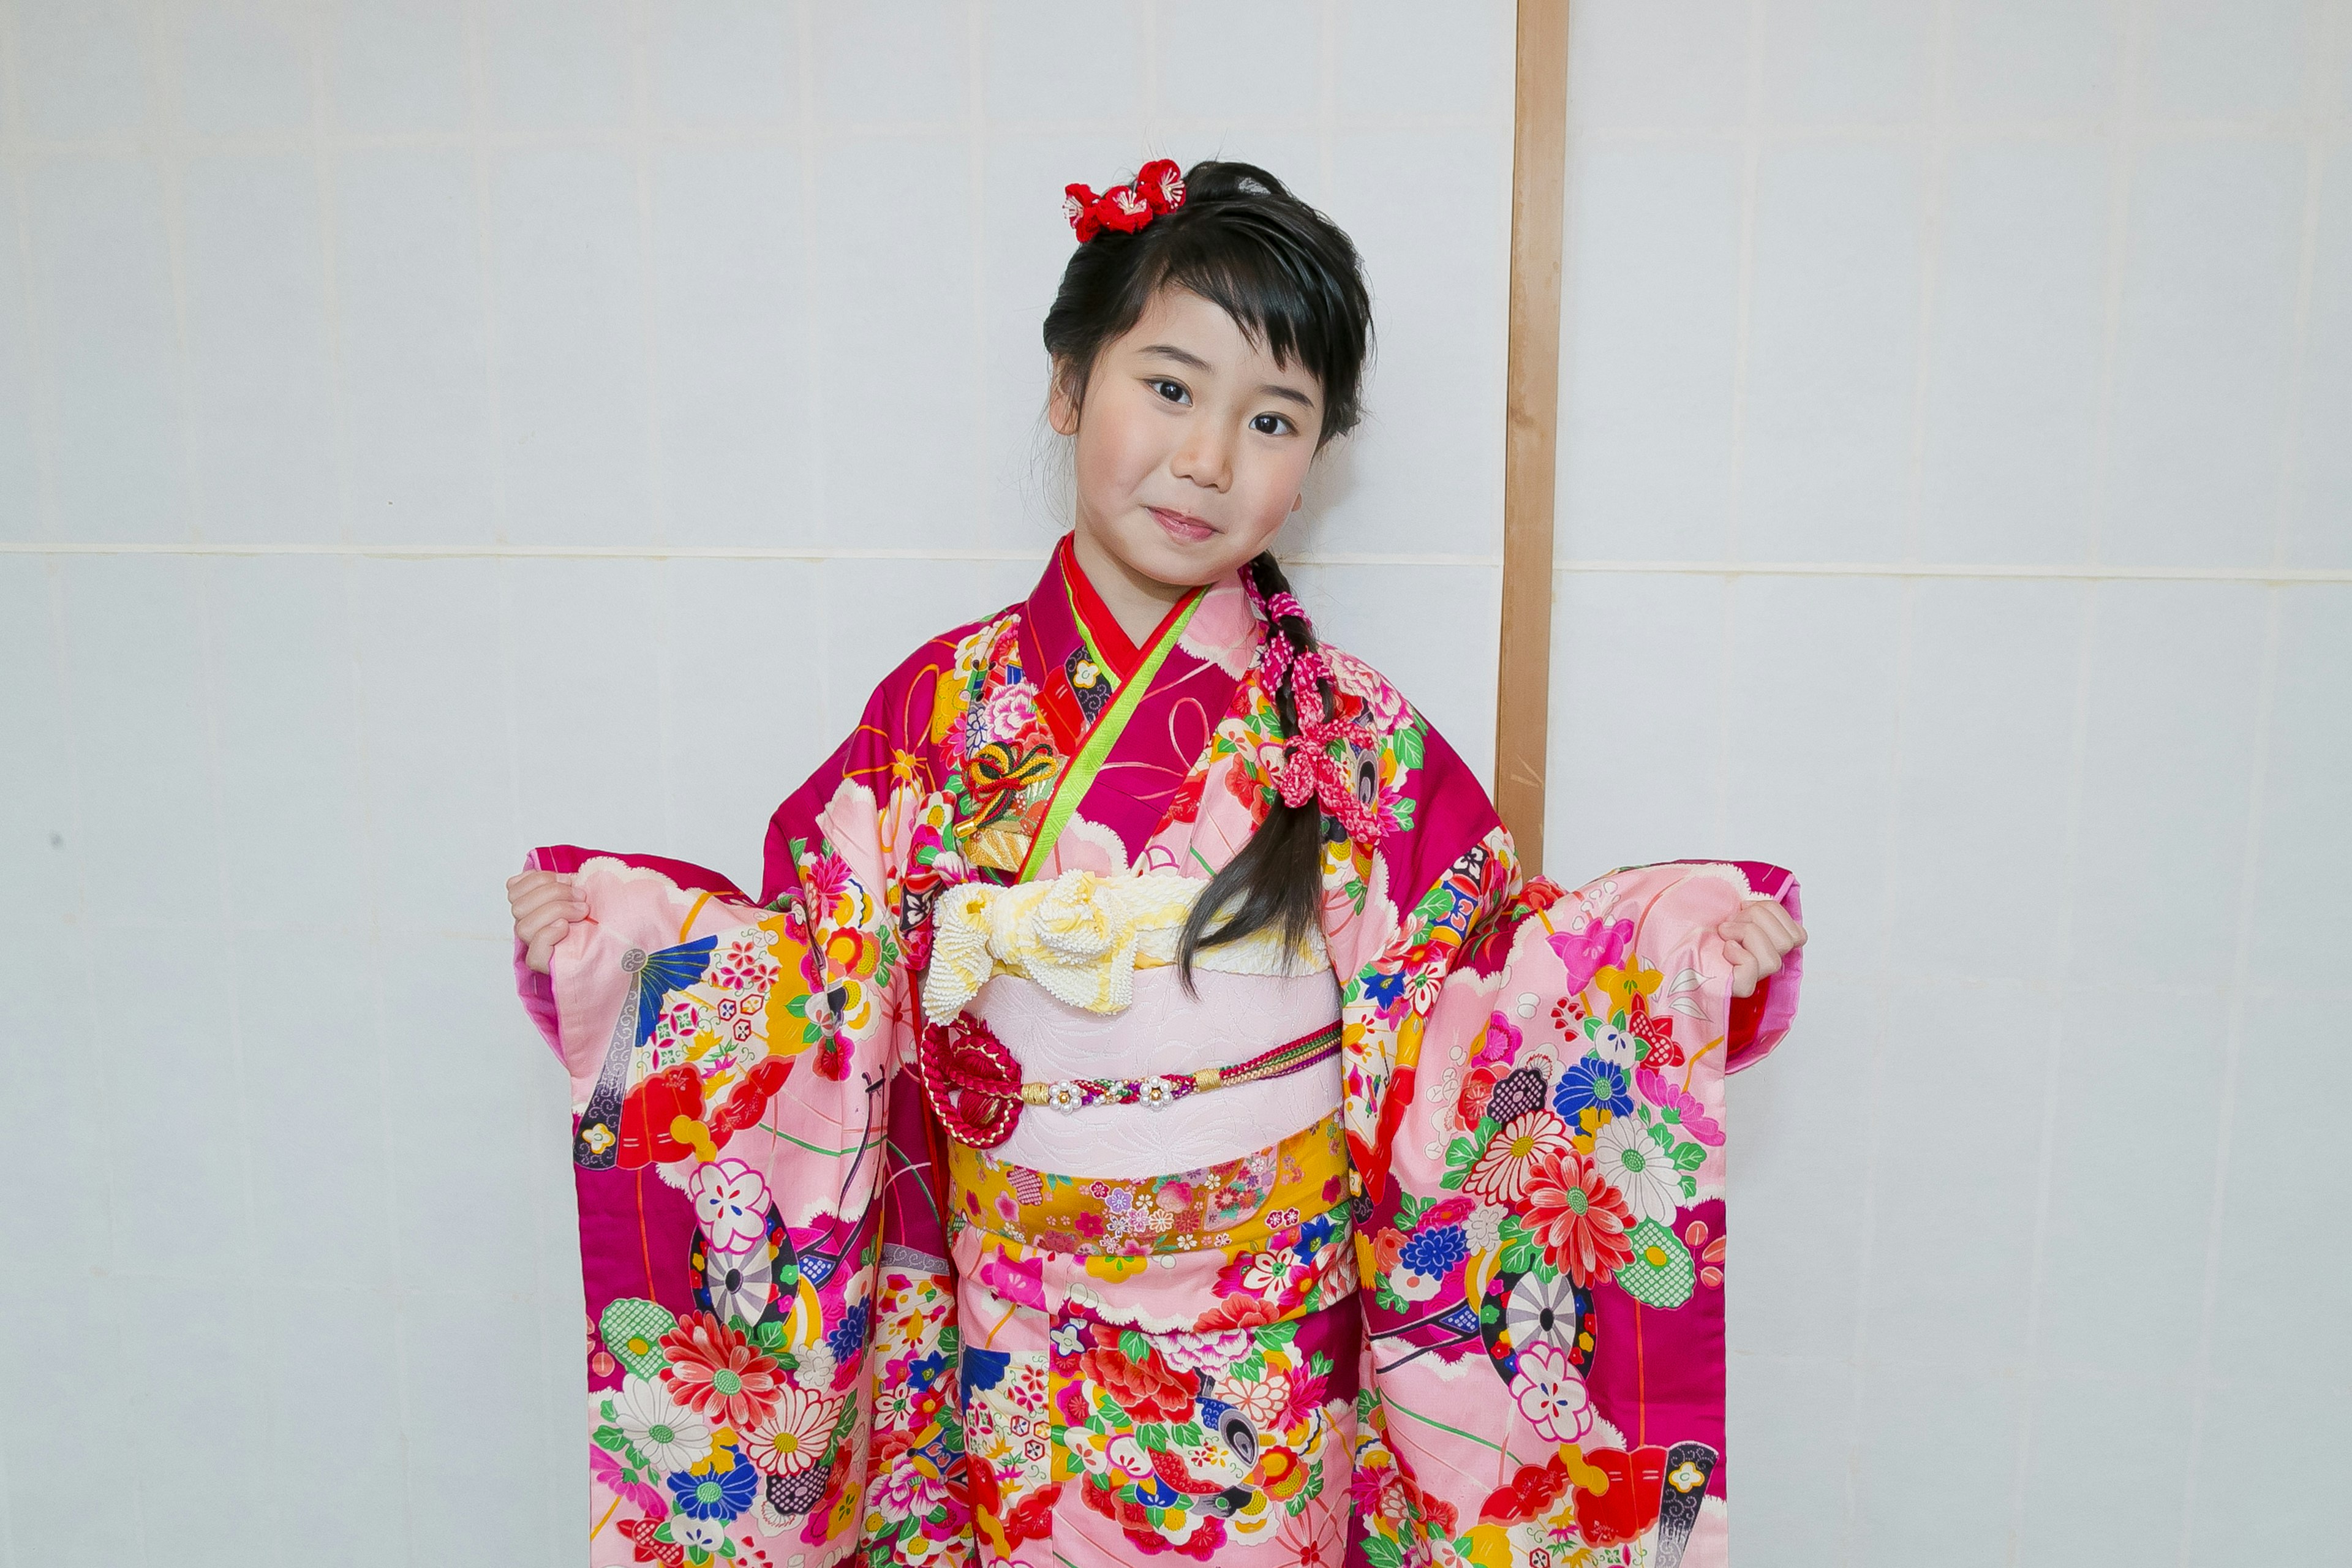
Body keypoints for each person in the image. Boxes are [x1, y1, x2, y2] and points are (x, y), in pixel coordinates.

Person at [508, 159, 1805, 1568]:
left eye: (1272, 419)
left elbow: (1479, 991)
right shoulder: (941, 716)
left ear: (1317, 458)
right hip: (1015, 1332)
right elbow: (819, 983)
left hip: (1270, 1352)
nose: (1207, 458)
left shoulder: (1351, 736)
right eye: (1171, 389)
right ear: (1072, 385)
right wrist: (628, 942)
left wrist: (1671, 953)